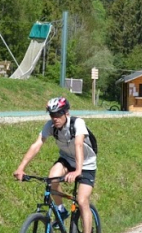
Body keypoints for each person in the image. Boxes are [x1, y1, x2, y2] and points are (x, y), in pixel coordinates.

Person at [14, 97, 96, 232]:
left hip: (86, 164)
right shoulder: (50, 126)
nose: (55, 118)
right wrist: (21, 168)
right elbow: (36, 145)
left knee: (82, 201)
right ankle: (61, 210)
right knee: (52, 178)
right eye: (52, 115)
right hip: (67, 159)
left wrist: (77, 171)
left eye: (58, 114)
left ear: (66, 113)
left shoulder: (78, 123)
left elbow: (79, 145)